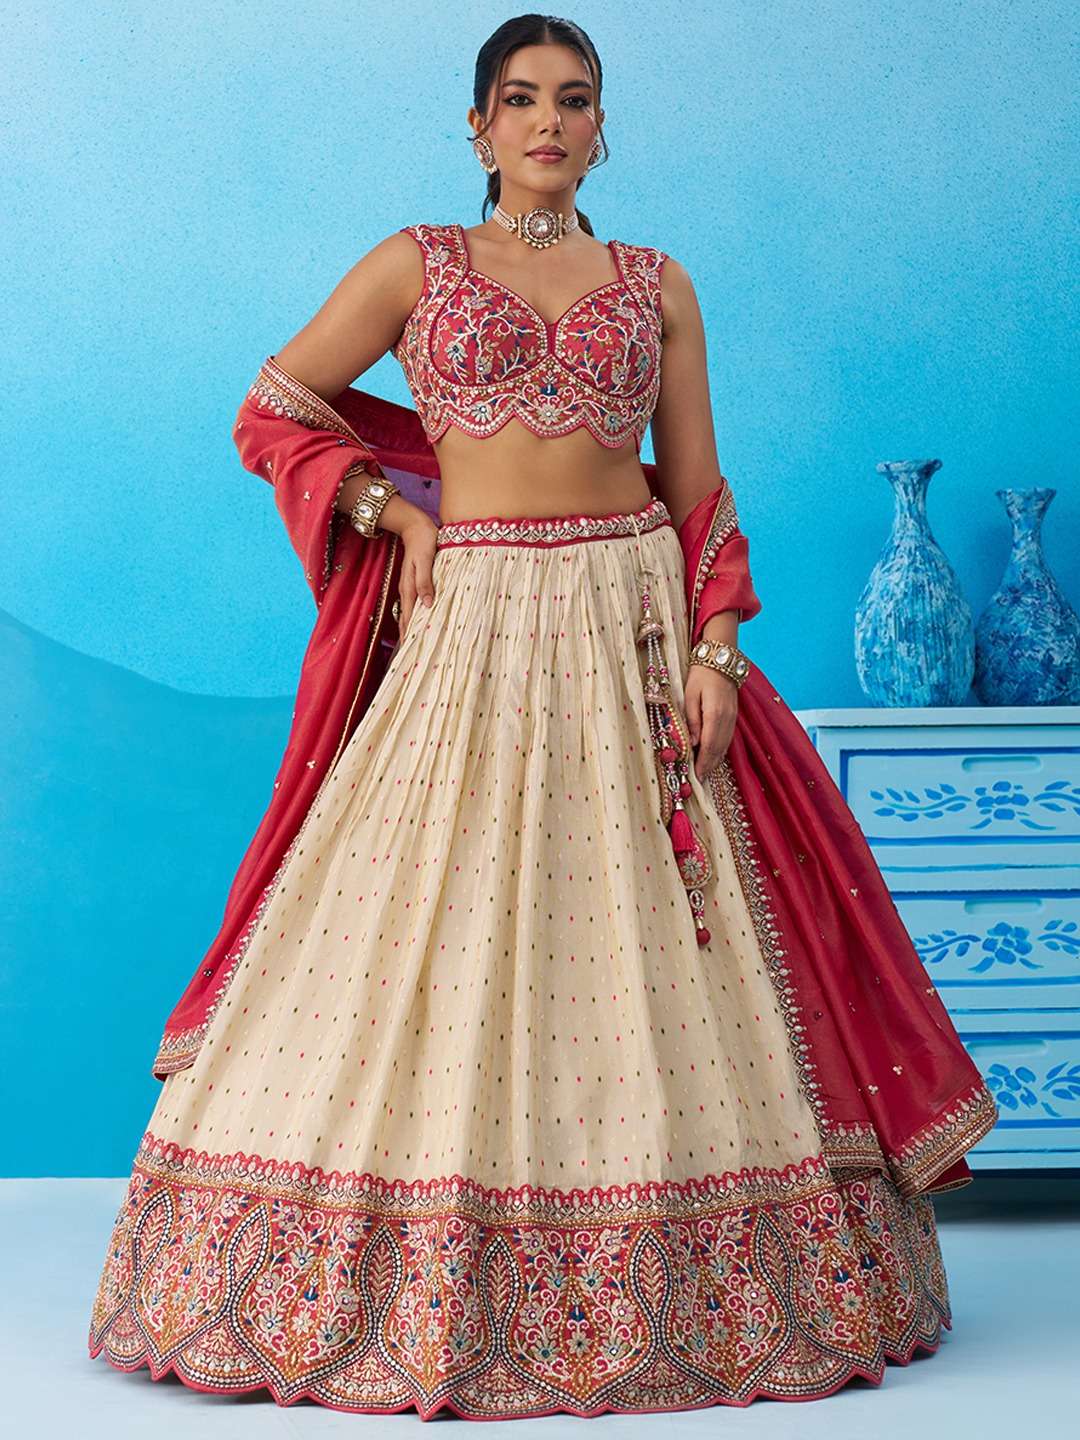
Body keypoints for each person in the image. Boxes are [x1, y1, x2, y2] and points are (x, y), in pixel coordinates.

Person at [87, 14, 998, 1421]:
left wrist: (716, 650)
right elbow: (274, 408)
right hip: (476, 623)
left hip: (628, 626)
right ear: (478, 125)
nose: (549, 123)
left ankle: (704, 1276)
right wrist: (392, 515)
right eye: (520, 100)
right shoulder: (418, 264)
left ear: (602, 128)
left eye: (574, 101)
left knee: (650, 931)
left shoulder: (658, 284)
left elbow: (698, 490)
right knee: (430, 923)